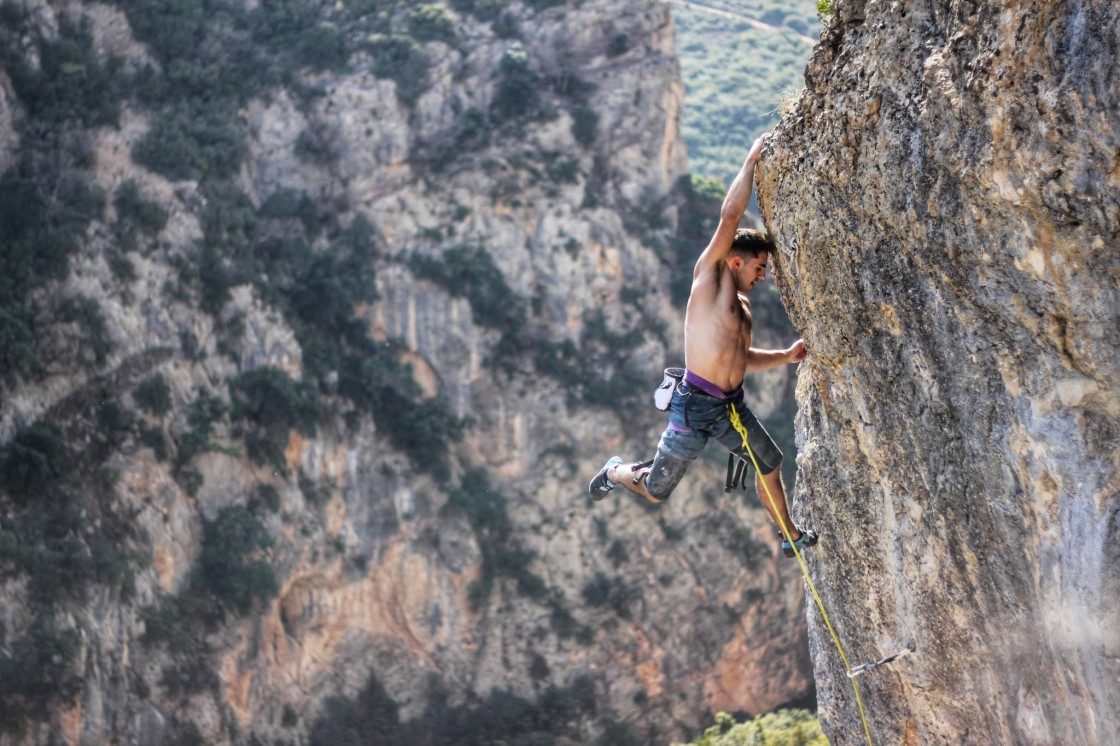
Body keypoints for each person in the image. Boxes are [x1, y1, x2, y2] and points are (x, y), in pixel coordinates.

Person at [588, 133, 817, 558]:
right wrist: (750, 162)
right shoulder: (708, 280)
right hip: (693, 407)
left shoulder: (742, 307)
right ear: (736, 260)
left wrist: (785, 356)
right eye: (759, 266)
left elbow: (741, 359)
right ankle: (617, 471)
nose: (763, 274)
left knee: (770, 462)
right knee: (656, 491)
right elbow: (729, 217)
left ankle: (789, 534)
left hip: (731, 405)